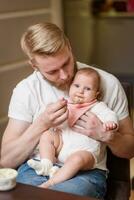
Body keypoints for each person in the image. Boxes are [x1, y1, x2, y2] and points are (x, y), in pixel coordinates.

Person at [1, 22, 134, 199]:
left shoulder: (107, 84)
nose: (64, 75)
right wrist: (41, 124)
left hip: (85, 172)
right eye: (52, 71)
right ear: (34, 66)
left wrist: (107, 136)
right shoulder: (26, 90)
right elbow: (6, 161)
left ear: (69, 47)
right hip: (38, 167)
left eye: (66, 63)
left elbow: (130, 149)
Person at [27, 67, 118, 189]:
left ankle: (50, 183)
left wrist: (111, 123)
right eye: (77, 86)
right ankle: (47, 164)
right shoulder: (65, 104)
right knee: (47, 136)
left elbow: (110, 115)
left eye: (87, 89)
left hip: (86, 152)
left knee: (77, 159)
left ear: (96, 93)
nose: (81, 91)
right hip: (61, 147)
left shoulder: (97, 107)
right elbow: (53, 121)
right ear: (70, 87)